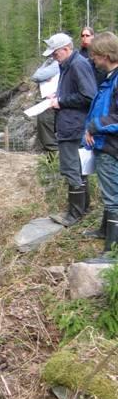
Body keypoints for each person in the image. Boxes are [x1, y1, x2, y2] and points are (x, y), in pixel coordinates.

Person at [43, 33, 97, 227]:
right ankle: (83, 208)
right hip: (71, 125)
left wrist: (61, 101)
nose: (53, 57)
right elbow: (79, 92)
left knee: (72, 169)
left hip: (74, 126)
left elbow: (89, 96)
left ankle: (74, 215)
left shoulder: (77, 65)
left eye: (55, 53)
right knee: (78, 169)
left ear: (66, 49)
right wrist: (59, 94)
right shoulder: (68, 64)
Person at [83, 31, 118, 250]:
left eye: (95, 55)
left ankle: (112, 249)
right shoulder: (110, 78)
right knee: (109, 191)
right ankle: (105, 230)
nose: (93, 60)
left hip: (110, 146)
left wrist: (94, 127)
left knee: (114, 197)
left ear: (105, 55)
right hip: (104, 144)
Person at [31, 58, 59, 159]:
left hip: (54, 103)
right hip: (51, 101)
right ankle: (52, 162)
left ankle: (52, 163)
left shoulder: (56, 63)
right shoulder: (50, 61)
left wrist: (42, 74)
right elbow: (36, 76)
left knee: (49, 135)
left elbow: (37, 76)